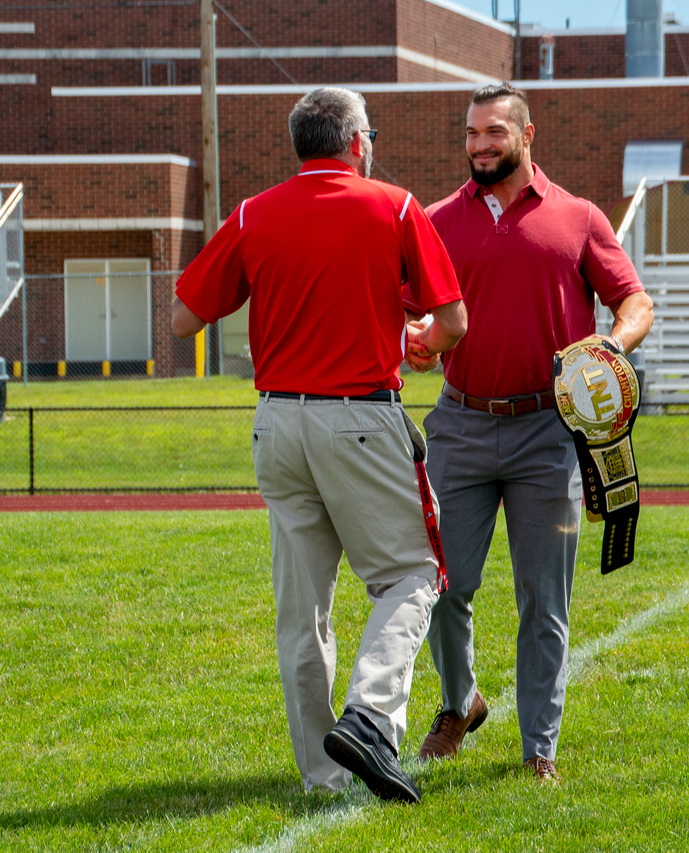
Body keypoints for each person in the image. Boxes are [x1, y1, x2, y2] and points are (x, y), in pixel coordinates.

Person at [172, 86, 467, 803]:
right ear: (357, 141)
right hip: (360, 415)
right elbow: (451, 320)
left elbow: (183, 319)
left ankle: (323, 775)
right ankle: (369, 714)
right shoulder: (393, 206)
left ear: (299, 144)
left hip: (277, 421)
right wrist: (421, 339)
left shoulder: (252, 213)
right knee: (412, 575)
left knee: (302, 606)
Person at [404, 83, 654, 781]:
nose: (479, 144)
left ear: (525, 133)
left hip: (549, 432)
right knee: (440, 585)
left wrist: (612, 346)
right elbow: (407, 312)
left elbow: (633, 299)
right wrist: (415, 338)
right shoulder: (433, 221)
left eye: (492, 132)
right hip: (458, 422)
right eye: (470, 133)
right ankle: (460, 703)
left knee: (543, 599)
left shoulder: (577, 216)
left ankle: (538, 747)